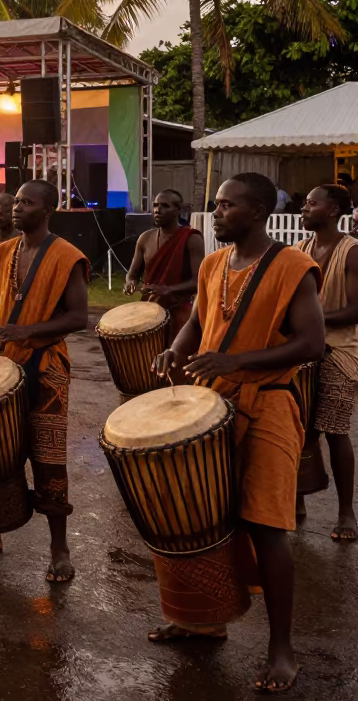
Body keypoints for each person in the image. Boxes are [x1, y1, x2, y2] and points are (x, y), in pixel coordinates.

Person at [153, 173, 323, 694]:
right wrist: (175, 348)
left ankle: (281, 650)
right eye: (217, 204)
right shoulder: (212, 264)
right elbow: (198, 323)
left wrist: (238, 360)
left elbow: (312, 343)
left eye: (227, 205)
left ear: (256, 211)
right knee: (202, 516)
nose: (217, 211)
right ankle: (203, 620)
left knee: (267, 527)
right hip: (215, 406)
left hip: (270, 405)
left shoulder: (293, 266)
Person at [0, 180, 88, 581]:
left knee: (48, 459)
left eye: (27, 203)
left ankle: (59, 549)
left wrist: (27, 332)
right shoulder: (3, 251)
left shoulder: (68, 256)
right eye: (17, 201)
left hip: (46, 367)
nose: (17, 208)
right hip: (5, 363)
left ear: (47, 210)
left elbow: (78, 318)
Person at [298, 184, 358, 540]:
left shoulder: (351, 252)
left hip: (341, 349)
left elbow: (356, 310)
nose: (304, 208)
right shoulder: (302, 249)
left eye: (311, 203)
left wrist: (311, 321)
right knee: (299, 427)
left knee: (334, 430)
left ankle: (346, 511)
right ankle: (299, 496)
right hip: (307, 345)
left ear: (333, 210)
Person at [125, 189, 205, 340]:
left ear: (178, 210)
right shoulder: (145, 238)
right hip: (149, 311)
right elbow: (132, 275)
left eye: (164, 206)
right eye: (155, 205)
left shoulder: (191, 238)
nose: (157, 210)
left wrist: (168, 289)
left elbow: (198, 281)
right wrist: (130, 283)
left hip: (180, 311)